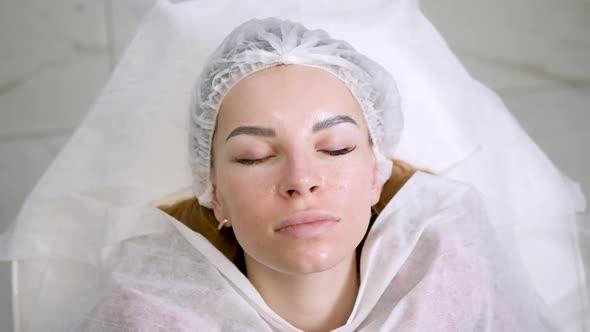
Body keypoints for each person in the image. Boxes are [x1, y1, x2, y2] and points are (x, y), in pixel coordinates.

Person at [73, 18, 554, 331]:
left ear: (374, 176)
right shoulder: (150, 316)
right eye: (255, 155)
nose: (301, 180)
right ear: (214, 194)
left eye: (335, 147)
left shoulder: (450, 280)